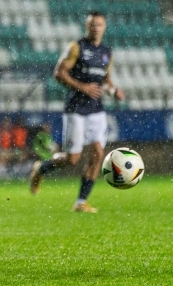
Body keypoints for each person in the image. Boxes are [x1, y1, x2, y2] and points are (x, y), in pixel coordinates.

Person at [29, 12, 125, 213]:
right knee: (73, 159)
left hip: (96, 110)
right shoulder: (76, 48)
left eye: (99, 25)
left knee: (98, 153)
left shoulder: (107, 52)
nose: (95, 28)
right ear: (86, 26)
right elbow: (59, 73)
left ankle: (81, 202)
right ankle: (41, 168)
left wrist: (113, 91)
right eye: (92, 25)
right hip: (76, 109)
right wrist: (83, 87)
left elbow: (105, 82)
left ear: (104, 27)